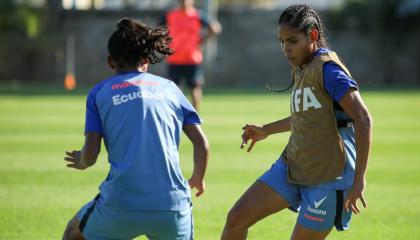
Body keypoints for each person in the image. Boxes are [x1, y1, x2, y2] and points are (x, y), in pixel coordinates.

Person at [221, 4, 373, 240]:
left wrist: (359, 180)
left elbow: (363, 119)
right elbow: (309, 116)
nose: (286, 49)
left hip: (328, 177)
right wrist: (266, 130)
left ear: (312, 35)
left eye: (292, 41)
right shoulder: (302, 67)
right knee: (236, 219)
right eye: (281, 42)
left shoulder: (329, 70)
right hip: (293, 166)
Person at [62, 18, 209, 240]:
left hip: (119, 207)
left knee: (73, 233)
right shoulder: (170, 88)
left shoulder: (99, 93)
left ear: (111, 62)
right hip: (172, 206)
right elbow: (202, 144)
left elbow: (90, 156)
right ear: (146, 60)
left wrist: (81, 161)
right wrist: (198, 177)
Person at [161, 0, 222, 111]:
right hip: (175, 58)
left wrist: (201, 41)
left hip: (192, 58)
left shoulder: (197, 15)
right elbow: (158, 30)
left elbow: (215, 28)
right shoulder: (170, 15)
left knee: (195, 87)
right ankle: (175, 112)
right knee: (174, 89)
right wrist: (165, 43)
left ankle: (195, 115)